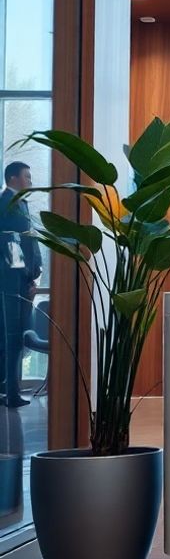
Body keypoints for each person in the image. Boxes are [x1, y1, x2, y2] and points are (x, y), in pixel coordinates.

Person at [0, 162, 39, 409]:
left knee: (15, 337)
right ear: (12, 178)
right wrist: (26, 276)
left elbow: (30, 242)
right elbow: (11, 246)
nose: (30, 181)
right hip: (12, 283)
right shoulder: (7, 203)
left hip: (22, 281)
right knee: (11, 335)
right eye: (27, 176)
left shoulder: (21, 203)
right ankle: (10, 392)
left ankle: (10, 390)